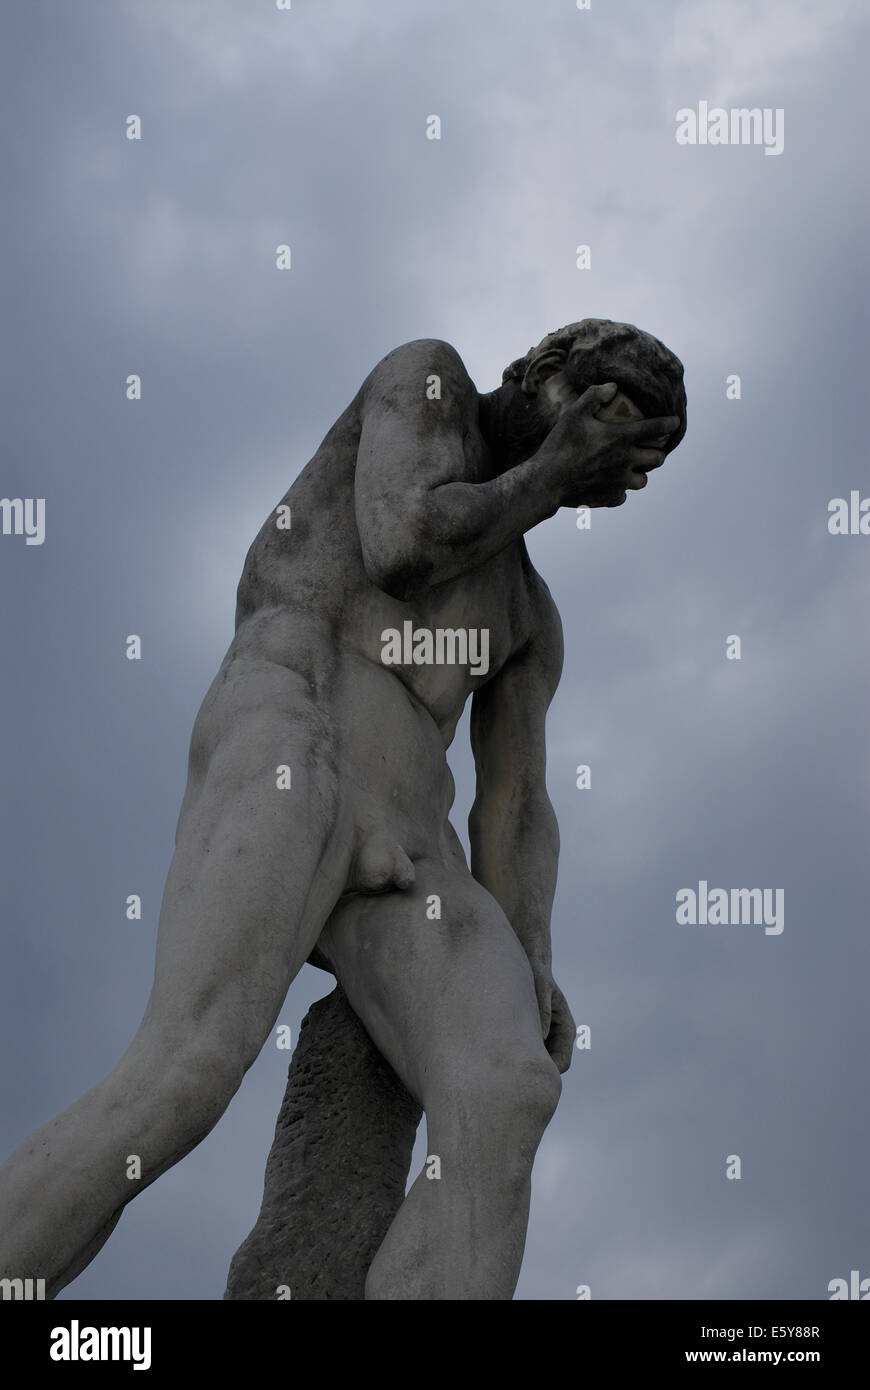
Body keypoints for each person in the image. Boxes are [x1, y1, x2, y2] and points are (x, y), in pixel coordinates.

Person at [0, 319, 685, 1299]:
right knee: (183, 1075)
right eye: (601, 415)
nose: (599, 458)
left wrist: (532, 953)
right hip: (296, 718)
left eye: (631, 454)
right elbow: (402, 541)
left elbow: (519, 799)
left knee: (507, 1090)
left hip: (412, 841)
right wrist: (552, 472)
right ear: (544, 376)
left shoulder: (530, 618)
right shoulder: (429, 382)